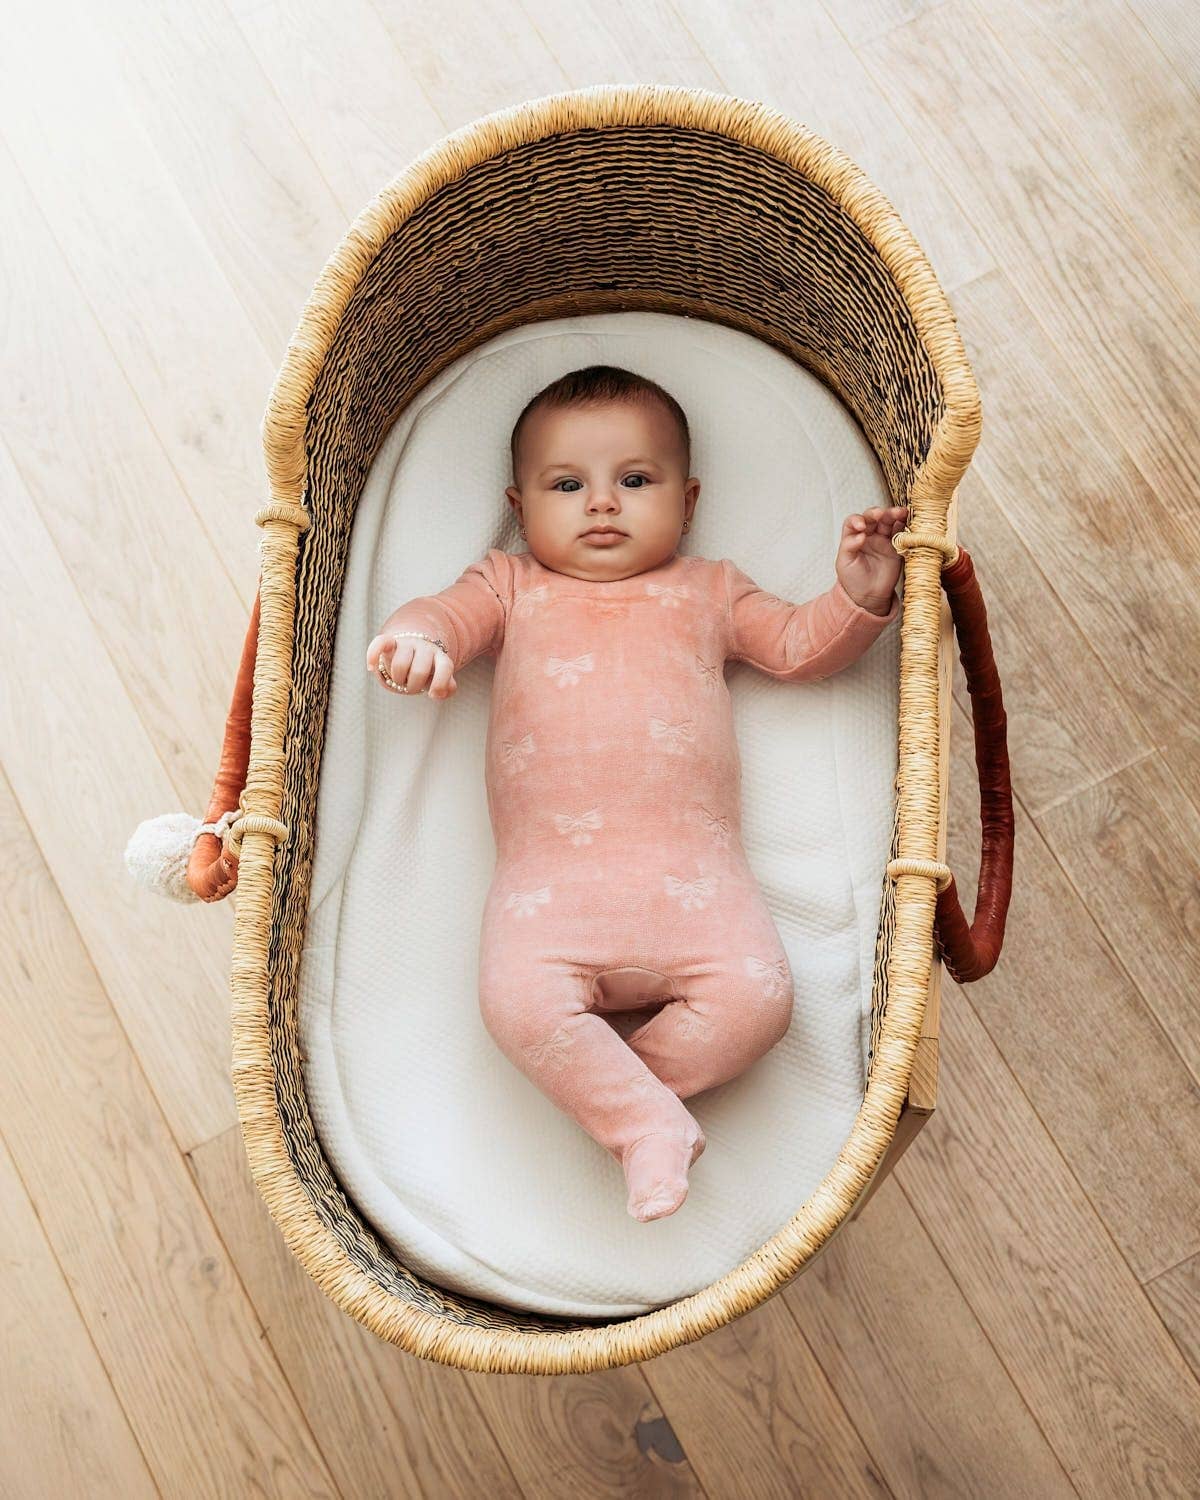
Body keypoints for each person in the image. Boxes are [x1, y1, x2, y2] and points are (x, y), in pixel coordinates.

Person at [366, 365, 906, 1222]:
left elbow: (802, 646)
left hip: (697, 888)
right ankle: (648, 1123)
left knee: (761, 998)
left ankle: (632, 1110)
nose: (603, 504)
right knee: (515, 1003)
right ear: (519, 506)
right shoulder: (510, 587)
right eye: (568, 485)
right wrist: (413, 643)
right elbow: (436, 616)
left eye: (636, 480)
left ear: (687, 503)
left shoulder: (710, 590)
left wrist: (860, 594)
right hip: (548, 898)